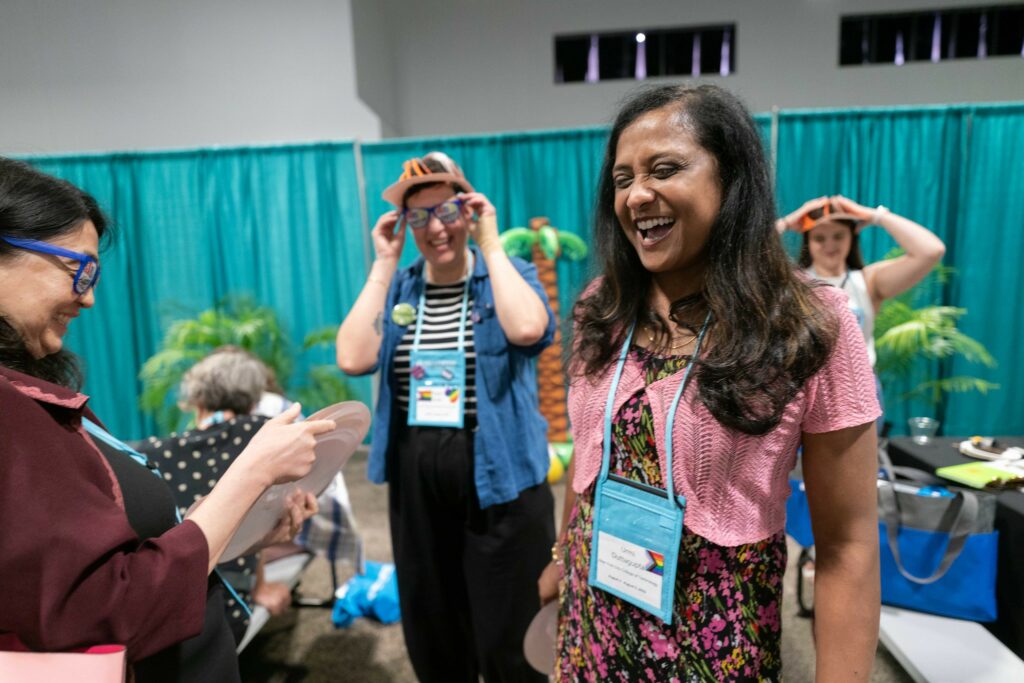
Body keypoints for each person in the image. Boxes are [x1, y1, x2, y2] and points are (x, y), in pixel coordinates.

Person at [537, 85, 882, 681]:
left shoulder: (808, 324)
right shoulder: (603, 306)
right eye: (622, 178)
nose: (636, 195)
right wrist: (561, 552)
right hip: (594, 620)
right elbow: (591, 458)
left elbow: (849, 546)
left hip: (714, 644)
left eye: (664, 169)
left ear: (732, 178)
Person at [0, 157, 335, 682]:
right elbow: (106, 606)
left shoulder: (26, 394)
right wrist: (252, 474)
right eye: (78, 269)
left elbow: (111, 556)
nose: (88, 298)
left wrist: (235, 526)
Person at [336, 152, 556, 682]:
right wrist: (384, 263)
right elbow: (353, 357)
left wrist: (491, 243)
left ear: (468, 210)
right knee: (433, 624)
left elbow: (528, 330)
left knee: (509, 630)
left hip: (500, 474)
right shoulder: (400, 287)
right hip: (418, 479)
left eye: (447, 211)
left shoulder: (508, 275)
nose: (436, 228)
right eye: (419, 216)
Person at [134, 347, 318, 636]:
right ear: (254, 396)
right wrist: (261, 586)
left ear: (195, 398)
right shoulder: (264, 437)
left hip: (173, 601)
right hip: (235, 603)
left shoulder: (153, 452)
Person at [776, 195, 946, 367]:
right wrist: (786, 223)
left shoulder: (868, 281)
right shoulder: (794, 283)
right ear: (808, 242)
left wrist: (875, 216)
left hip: (862, 381)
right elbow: (755, 259)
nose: (830, 244)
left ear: (852, 237)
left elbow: (931, 251)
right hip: (810, 380)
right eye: (819, 238)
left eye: (838, 236)